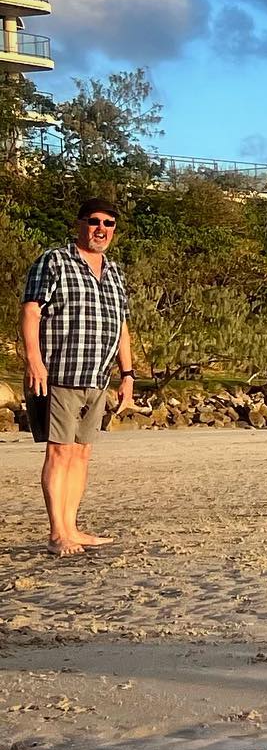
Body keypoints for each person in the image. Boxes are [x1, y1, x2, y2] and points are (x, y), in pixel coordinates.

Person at [20, 197, 135, 555]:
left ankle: (71, 526)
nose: (101, 229)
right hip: (59, 372)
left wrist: (128, 375)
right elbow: (31, 311)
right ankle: (57, 533)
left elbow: (122, 326)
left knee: (82, 453)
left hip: (97, 376)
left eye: (109, 223)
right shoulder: (54, 261)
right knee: (59, 452)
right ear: (80, 223)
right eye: (95, 221)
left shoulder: (114, 272)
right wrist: (33, 361)